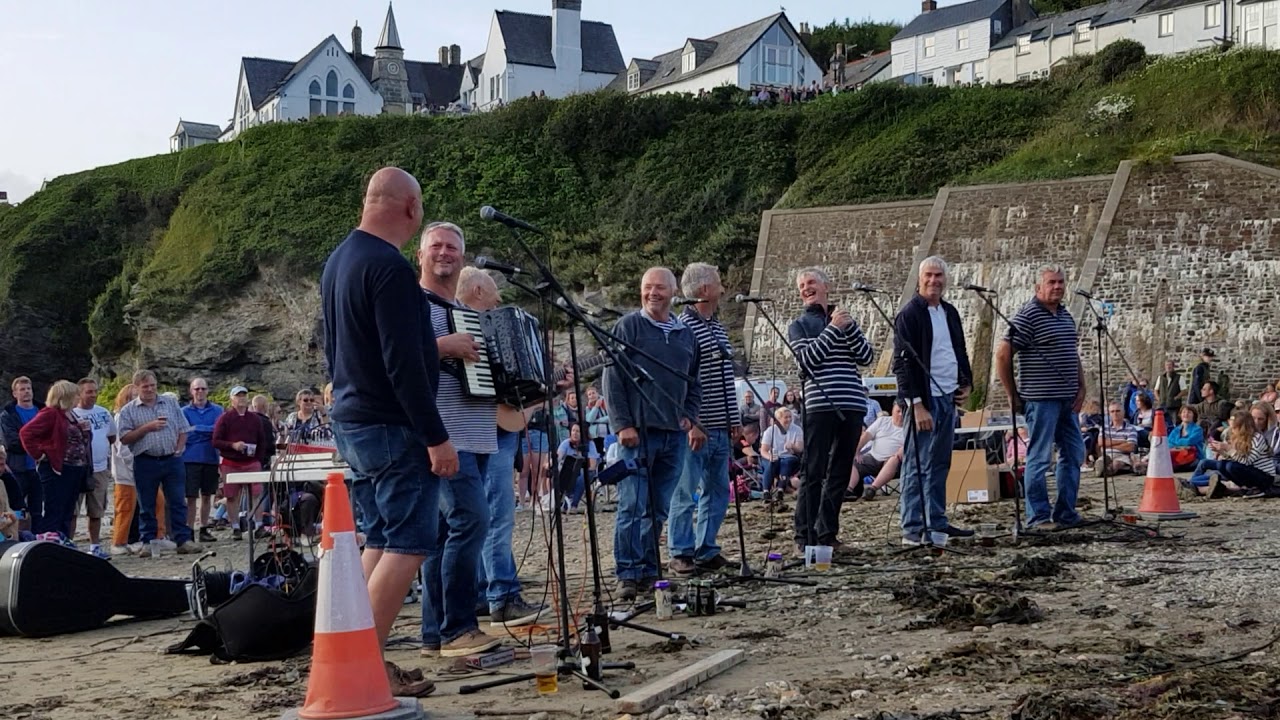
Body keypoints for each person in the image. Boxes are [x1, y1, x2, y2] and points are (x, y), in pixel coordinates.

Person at [321, 167, 454, 696]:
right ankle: (361, 664)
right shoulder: (391, 269)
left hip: (353, 418)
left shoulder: (340, 260)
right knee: (410, 542)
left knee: (378, 536)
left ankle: (348, 651)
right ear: (411, 209)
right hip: (391, 424)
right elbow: (405, 363)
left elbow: (337, 350)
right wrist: (435, 437)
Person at [415, 222, 499, 658]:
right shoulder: (413, 304)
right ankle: (459, 627)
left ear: (462, 258)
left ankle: (435, 633)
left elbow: (492, 376)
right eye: (436, 246)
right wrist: (443, 345)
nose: (445, 253)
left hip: (479, 433)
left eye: (453, 248)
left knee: (445, 533)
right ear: (421, 254)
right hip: (444, 434)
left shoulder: (468, 313)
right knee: (472, 522)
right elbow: (398, 359)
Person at [453, 266, 548, 629]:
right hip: (481, 432)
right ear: (478, 290)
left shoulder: (492, 327)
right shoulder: (458, 324)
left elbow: (512, 385)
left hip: (499, 429)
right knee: (495, 514)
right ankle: (502, 595)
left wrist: (543, 388)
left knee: (482, 516)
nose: (498, 301)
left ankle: (482, 593)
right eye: (494, 294)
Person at [603, 267, 701, 601]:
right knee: (632, 505)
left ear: (674, 292)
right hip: (639, 433)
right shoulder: (628, 326)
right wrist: (622, 424)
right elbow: (612, 377)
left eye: (660, 287)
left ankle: (648, 568)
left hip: (673, 434)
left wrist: (689, 414)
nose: (652, 293)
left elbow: (693, 380)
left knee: (658, 507)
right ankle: (628, 573)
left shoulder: (686, 334)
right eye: (647, 287)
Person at [787, 267, 874, 555]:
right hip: (820, 406)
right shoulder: (798, 325)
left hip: (851, 404)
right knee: (813, 471)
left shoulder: (845, 320)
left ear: (826, 286)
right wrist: (833, 330)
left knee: (839, 472)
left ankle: (828, 535)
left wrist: (846, 327)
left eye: (810, 282)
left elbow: (865, 356)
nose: (805, 288)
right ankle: (804, 536)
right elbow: (807, 362)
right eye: (801, 285)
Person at [995, 265, 1086, 530]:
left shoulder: (1064, 315)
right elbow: (1003, 354)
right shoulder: (1028, 315)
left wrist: (1081, 387)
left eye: (1060, 282)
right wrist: (1012, 393)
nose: (1057, 287)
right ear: (1038, 287)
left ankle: (1066, 512)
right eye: (1051, 283)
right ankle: (1038, 516)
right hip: (1041, 399)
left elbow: (1072, 352)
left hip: (1067, 400)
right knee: (1039, 457)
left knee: (1074, 453)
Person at [892, 256, 974, 546]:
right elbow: (902, 364)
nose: (933, 280)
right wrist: (915, 404)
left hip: (947, 397)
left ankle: (936, 521)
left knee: (940, 462)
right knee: (916, 463)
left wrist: (966, 381)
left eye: (939, 275)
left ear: (945, 280)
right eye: (928, 275)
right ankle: (912, 527)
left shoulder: (949, 312)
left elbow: (958, 349)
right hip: (923, 400)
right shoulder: (910, 314)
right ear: (919, 278)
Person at [668, 262, 737, 575]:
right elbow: (681, 381)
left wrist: (734, 419)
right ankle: (681, 551)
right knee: (686, 491)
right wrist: (691, 422)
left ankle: (706, 547)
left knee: (718, 490)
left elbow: (725, 377)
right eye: (718, 283)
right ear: (705, 290)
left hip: (722, 425)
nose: (723, 289)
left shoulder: (717, 327)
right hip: (698, 427)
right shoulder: (684, 329)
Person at [117, 370, 202, 555]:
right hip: (145, 460)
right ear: (137, 387)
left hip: (172, 459)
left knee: (178, 501)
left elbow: (183, 428)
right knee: (146, 503)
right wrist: (147, 428)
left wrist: (179, 448)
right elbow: (124, 437)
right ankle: (148, 541)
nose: (150, 389)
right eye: (145, 386)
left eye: (153, 385)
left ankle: (182, 539)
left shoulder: (170, 403)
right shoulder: (128, 410)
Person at [18, 381, 90, 544]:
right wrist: (40, 454)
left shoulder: (70, 414)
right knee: (55, 509)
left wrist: (82, 429)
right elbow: (26, 433)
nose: (78, 398)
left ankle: (63, 541)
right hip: (56, 469)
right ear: (65, 396)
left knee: (68, 510)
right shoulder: (51, 413)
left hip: (74, 468)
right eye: (75, 394)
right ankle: (50, 544)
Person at [212, 387, 269, 540]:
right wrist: (233, 445)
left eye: (244, 395)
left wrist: (258, 459)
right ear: (232, 399)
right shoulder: (225, 418)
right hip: (230, 462)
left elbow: (262, 440)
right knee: (231, 496)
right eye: (238, 396)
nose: (241, 399)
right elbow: (216, 441)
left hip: (251, 461)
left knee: (256, 493)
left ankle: (259, 525)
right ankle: (236, 526)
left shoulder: (255, 419)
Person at [71, 378, 116, 558]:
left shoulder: (104, 413)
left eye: (95, 391)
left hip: (99, 468)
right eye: (89, 391)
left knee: (96, 509)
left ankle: (95, 546)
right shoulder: (72, 414)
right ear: (79, 393)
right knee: (73, 510)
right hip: (77, 468)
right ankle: (70, 546)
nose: (93, 395)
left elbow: (112, 437)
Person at [1186, 410, 1276, 497]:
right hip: (1248, 470)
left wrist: (1228, 448)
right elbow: (1235, 459)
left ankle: (1190, 484)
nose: (1232, 430)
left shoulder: (1257, 438)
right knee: (1222, 464)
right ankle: (1191, 483)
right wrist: (1221, 451)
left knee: (1230, 466)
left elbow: (1247, 461)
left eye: (1234, 428)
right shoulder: (1238, 438)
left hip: (1264, 477)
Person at [180, 377, 221, 543]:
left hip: (210, 457)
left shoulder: (218, 410)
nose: (200, 392)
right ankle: (189, 528)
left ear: (207, 390)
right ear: (191, 391)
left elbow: (218, 432)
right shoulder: (184, 412)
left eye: (203, 388)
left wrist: (197, 429)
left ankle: (204, 528)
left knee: (207, 495)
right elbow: (185, 433)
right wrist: (206, 432)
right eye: (197, 389)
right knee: (190, 497)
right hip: (190, 458)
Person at [1, 376, 44, 531]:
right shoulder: (8, 415)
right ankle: (18, 540)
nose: (26, 392)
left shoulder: (42, 411)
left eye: (28, 389)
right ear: (15, 393)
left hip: (39, 468)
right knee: (17, 509)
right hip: (17, 467)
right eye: (22, 389)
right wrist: (39, 445)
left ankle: (39, 540)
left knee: (37, 510)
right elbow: (11, 442)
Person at [852, 401, 906, 499]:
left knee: (893, 459)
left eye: (904, 411)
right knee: (854, 461)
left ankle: (872, 489)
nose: (901, 414)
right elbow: (866, 436)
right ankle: (849, 490)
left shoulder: (910, 427)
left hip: (895, 461)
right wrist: (857, 451)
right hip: (874, 457)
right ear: (893, 409)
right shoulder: (882, 421)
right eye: (898, 411)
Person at [760, 406, 803, 495]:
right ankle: (766, 491)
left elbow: (800, 449)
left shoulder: (797, 429)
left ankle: (781, 488)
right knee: (772, 463)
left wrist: (793, 446)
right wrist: (770, 456)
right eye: (786, 417)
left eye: (790, 417)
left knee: (786, 462)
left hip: (790, 456)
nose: (789, 419)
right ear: (778, 419)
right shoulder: (770, 431)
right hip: (774, 455)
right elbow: (763, 450)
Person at [1168, 405, 1205, 472]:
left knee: (1170, 468)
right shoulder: (1176, 430)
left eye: (1189, 412)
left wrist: (1176, 443)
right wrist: (1182, 446)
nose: (1186, 414)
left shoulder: (1198, 429)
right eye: (1184, 412)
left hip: (1194, 458)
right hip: (1178, 457)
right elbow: (1168, 443)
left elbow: (1189, 441)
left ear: (1194, 415)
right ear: (1180, 415)